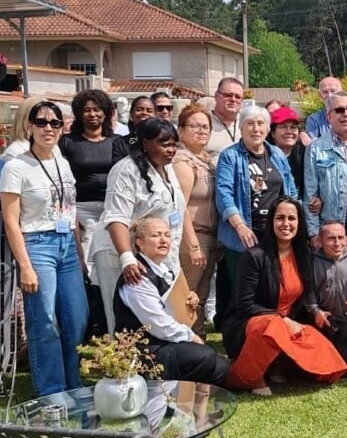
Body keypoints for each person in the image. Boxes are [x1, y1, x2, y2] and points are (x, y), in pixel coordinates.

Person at [0, 101, 87, 396]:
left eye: (55, 123)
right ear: (29, 126)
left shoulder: (62, 162)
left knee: (77, 318)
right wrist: (25, 265)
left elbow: (69, 211)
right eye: (41, 122)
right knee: (45, 322)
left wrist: (79, 253)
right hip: (37, 245)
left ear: (63, 128)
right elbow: (11, 221)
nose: (48, 128)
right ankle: (52, 391)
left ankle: (74, 384)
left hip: (66, 247)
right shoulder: (15, 166)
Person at [221, 197, 347, 395]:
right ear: (271, 222)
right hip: (251, 324)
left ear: (299, 222)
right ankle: (251, 377)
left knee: (330, 364)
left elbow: (306, 294)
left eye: (292, 218)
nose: (286, 224)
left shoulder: (303, 253)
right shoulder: (254, 257)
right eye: (280, 218)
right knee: (270, 326)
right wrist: (284, 320)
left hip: (290, 325)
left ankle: (277, 367)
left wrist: (316, 312)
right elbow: (244, 305)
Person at [91, 118, 186, 333]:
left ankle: (155, 365)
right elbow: (116, 218)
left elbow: (175, 211)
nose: (171, 150)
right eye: (164, 144)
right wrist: (127, 259)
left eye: (174, 144)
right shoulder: (125, 169)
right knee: (126, 320)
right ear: (144, 143)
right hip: (120, 254)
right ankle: (126, 367)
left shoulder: (167, 169)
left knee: (158, 315)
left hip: (154, 253)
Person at [114, 217, 229, 385]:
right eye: (156, 235)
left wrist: (189, 300)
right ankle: (170, 393)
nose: (163, 240)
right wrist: (191, 336)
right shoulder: (137, 277)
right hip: (146, 350)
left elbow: (172, 305)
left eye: (167, 235)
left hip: (164, 344)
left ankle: (193, 402)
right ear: (140, 242)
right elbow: (157, 324)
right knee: (206, 356)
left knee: (220, 366)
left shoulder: (164, 270)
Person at [215, 105, 298, 328]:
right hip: (242, 236)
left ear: (267, 128)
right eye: (249, 123)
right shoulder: (230, 156)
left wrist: (292, 218)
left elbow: (290, 190)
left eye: (260, 123)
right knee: (243, 291)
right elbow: (224, 193)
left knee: (270, 286)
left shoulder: (277, 154)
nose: (255, 128)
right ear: (240, 127)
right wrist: (240, 226)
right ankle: (240, 336)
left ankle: (270, 331)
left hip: (273, 234)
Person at [304, 92, 347, 259]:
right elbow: (310, 195)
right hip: (334, 232)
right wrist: (314, 233)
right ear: (329, 116)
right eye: (340, 110)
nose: (346, 115)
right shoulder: (316, 149)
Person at [60, 89, 127, 261]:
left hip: (112, 207)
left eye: (97, 109)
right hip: (81, 208)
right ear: (79, 114)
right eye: (87, 110)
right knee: (89, 250)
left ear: (105, 113)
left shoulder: (118, 142)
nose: (92, 114)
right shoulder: (68, 142)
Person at [172, 104, 218, 336]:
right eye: (195, 126)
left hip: (209, 238)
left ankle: (197, 340)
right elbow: (180, 207)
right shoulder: (182, 161)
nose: (201, 131)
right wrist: (193, 245)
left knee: (200, 294)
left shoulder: (206, 160)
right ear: (180, 130)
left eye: (206, 126)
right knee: (188, 294)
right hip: (192, 238)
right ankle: (184, 343)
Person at [307, 221, 347, 373]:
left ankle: (345, 369)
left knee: (345, 346)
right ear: (319, 241)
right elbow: (306, 290)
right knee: (323, 349)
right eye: (331, 238)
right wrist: (316, 311)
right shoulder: (311, 262)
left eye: (341, 238)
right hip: (321, 316)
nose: (337, 243)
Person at [270, 107, 307, 195]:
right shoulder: (265, 157)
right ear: (273, 133)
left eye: (293, 127)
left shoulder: (306, 155)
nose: (289, 131)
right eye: (283, 127)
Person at [206, 77, 246, 157]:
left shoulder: (248, 123)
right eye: (228, 95)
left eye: (238, 97)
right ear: (216, 96)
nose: (233, 99)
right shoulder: (203, 123)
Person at [1, 96, 41, 161]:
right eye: (41, 122)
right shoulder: (15, 152)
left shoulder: (53, 150)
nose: (49, 127)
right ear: (27, 123)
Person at [305, 76, 343, 140]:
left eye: (333, 91)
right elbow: (312, 147)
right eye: (325, 92)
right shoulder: (314, 120)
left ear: (341, 93)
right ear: (320, 96)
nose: (329, 95)